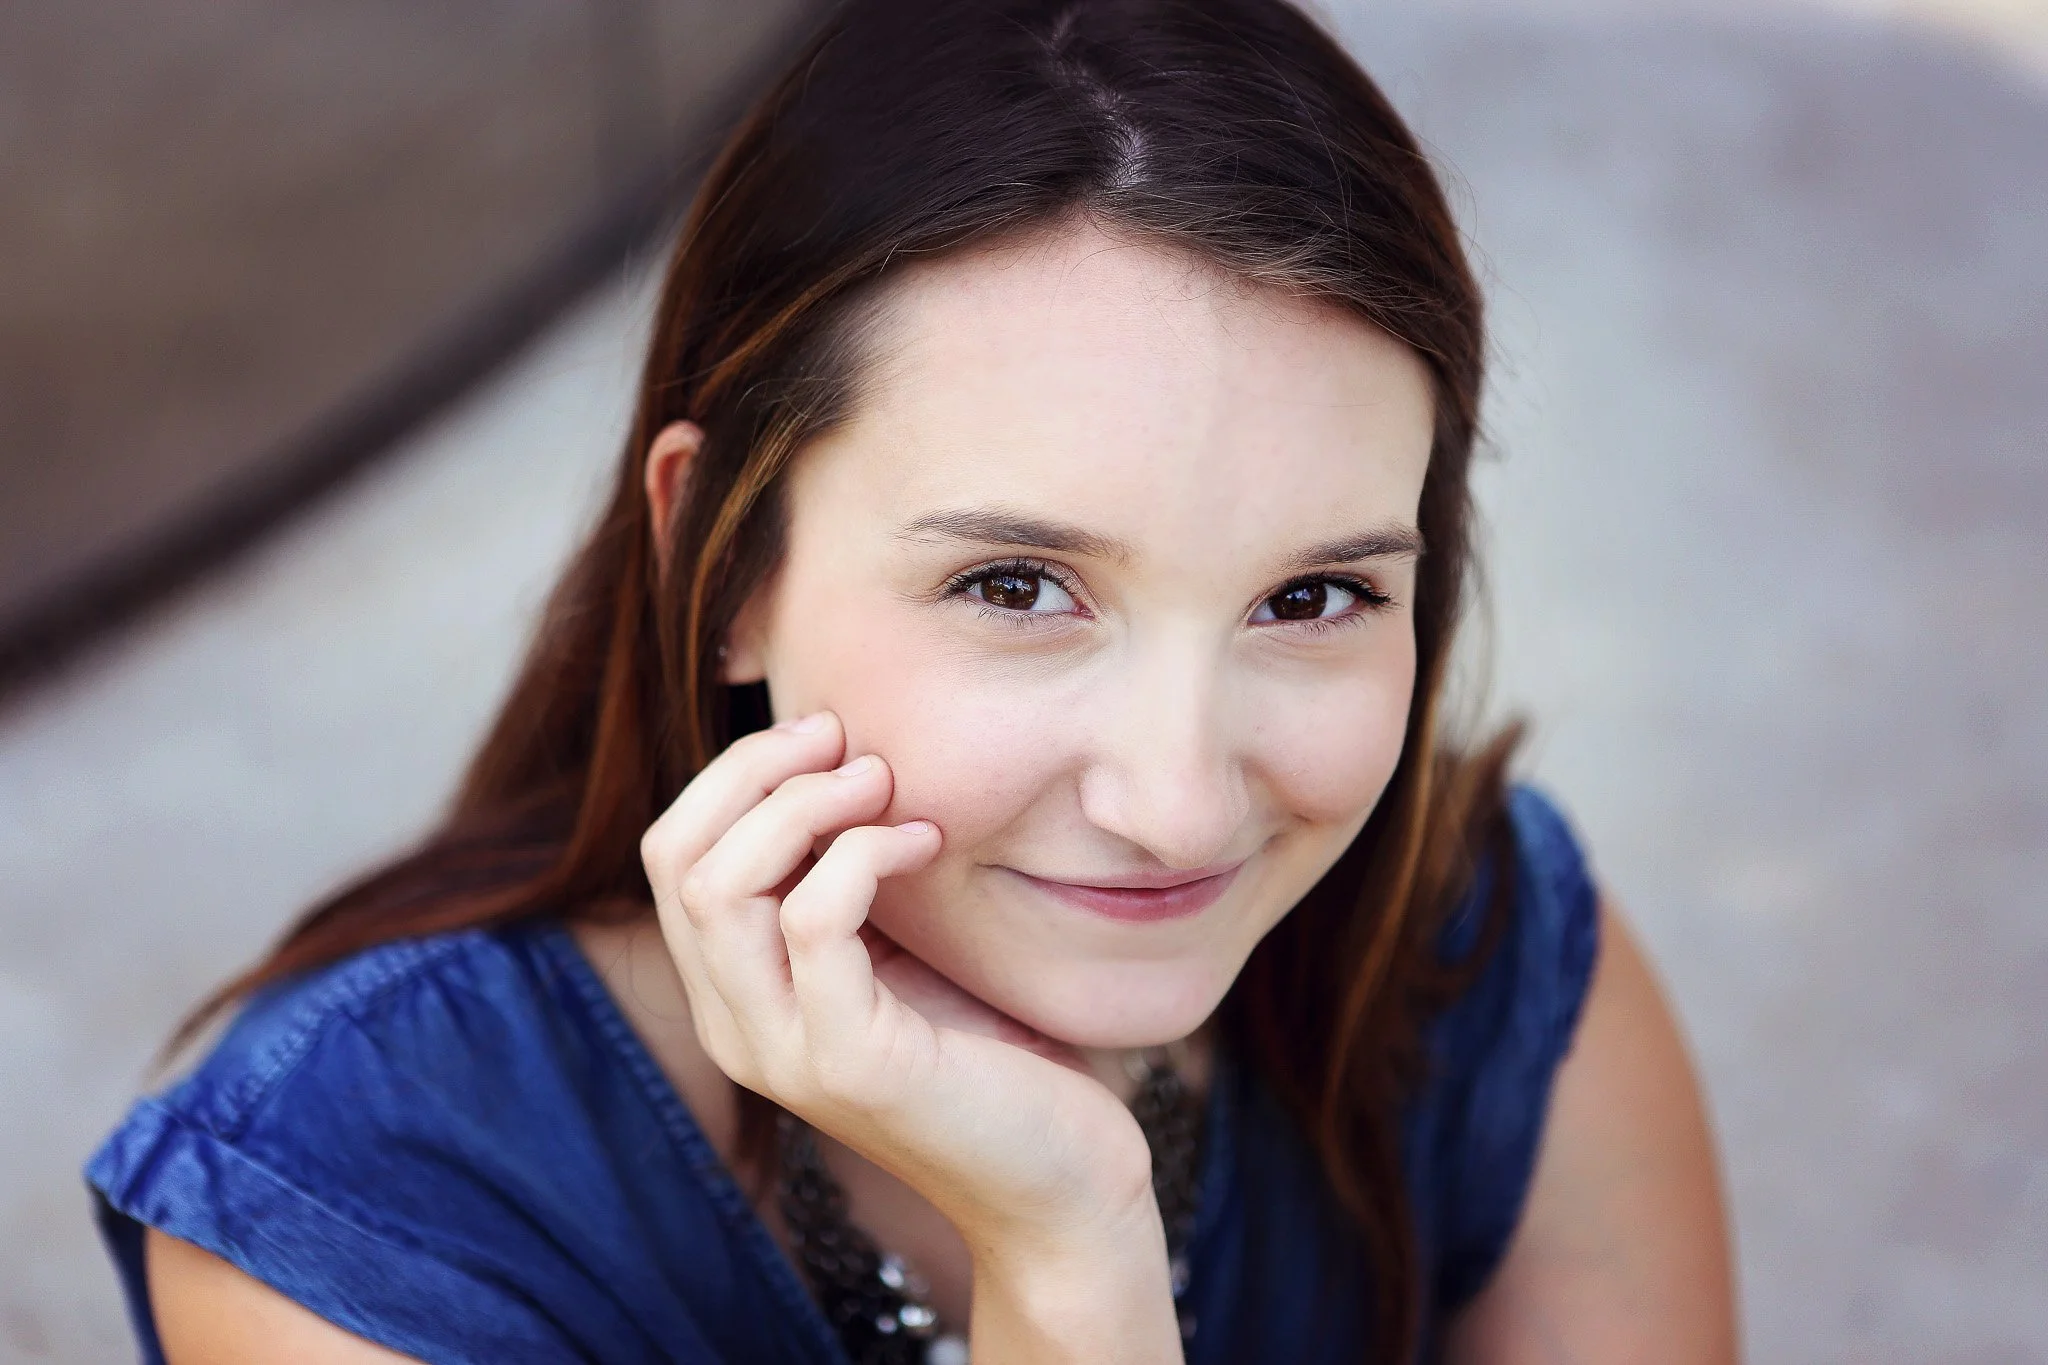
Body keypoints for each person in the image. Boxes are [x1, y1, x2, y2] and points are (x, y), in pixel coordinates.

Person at [87, 0, 1738, 1360]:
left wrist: (1063, 1231)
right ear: (719, 565)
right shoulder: (362, 1210)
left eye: (1312, 595)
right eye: (1017, 587)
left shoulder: (1483, 965)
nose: (1173, 803)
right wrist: (1068, 1252)